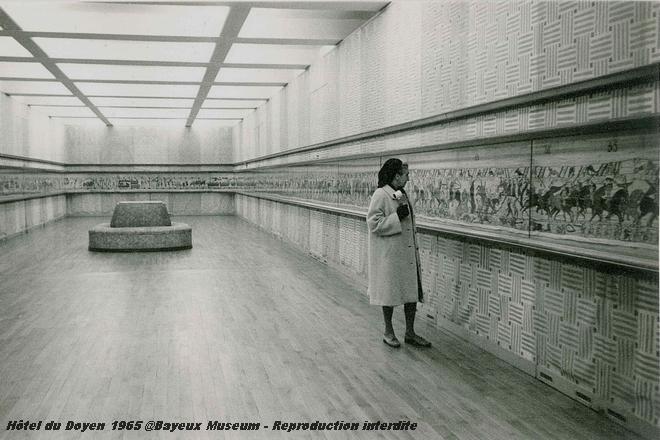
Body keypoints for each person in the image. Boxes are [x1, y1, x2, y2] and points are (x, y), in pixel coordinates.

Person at [366, 158, 431, 348]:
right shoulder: (380, 194)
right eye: (406, 175)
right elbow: (373, 223)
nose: (408, 179)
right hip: (391, 255)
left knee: (410, 293)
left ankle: (410, 333)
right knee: (390, 294)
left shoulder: (401, 193)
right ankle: (388, 331)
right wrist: (397, 217)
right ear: (396, 176)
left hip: (406, 253)